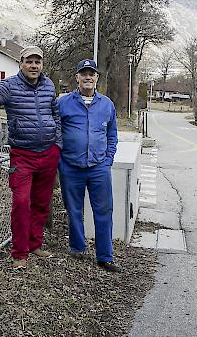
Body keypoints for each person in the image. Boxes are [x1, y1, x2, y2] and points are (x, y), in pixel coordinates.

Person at [0, 46, 62, 269]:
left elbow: (55, 114)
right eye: (29, 61)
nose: (34, 66)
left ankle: (36, 244)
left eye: (37, 62)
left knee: (41, 203)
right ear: (21, 63)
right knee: (21, 203)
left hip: (48, 153)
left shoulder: (49, 84)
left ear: (42, 64)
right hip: (23, 155)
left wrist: (57, 144)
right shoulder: (10, 85)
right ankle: (19, 253)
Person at [57, 59, 120, 272]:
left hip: (98, 167)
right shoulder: (63, 103)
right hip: (70, 166)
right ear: (77, 77)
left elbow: (112, 134)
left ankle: (105, 256)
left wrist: (108, 159)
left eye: (91, 73)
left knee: (103, 210)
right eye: (83, 73)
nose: (87, 77)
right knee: (73, 209)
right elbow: (55, 132)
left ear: (96, 78)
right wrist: (60, 158)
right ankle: (77, 247)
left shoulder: (107, 104)